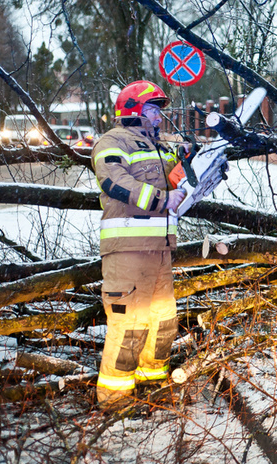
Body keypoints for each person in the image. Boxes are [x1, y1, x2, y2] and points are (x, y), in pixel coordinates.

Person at [92, 80, 187, 409]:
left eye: (159, 110)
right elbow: (115, 182)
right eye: (152, 109)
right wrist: (164, 198)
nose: (159, 116)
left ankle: (153, 385)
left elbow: (177, 183)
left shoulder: (160, 147)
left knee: (163, 321)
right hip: (128, 251)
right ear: (132, 110)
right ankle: (115, 399)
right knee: (129, 324)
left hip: (159, 250)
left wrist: (195, 170)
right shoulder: (112, 141)